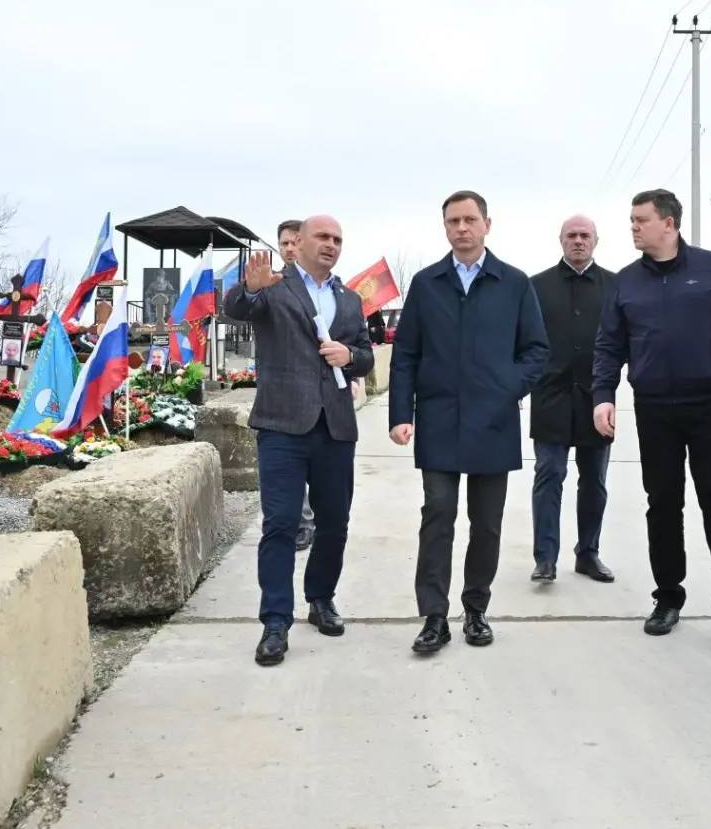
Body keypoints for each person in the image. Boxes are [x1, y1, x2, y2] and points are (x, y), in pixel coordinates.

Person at [389, 190, 548, 654]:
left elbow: (536, 350)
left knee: (487, 523)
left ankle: (476, 609)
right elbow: (406, 354)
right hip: (439, 420)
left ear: (486, 225)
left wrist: (508, 387)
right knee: (437, 515)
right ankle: (434, 617)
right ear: (445, 227)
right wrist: (401, 414)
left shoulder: (514, 283)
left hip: (494, 422)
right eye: (453, 221)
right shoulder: (427, 284)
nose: (461, 228)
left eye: (469, 220)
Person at [592, 188, 711, 642]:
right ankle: (667, 597)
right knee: (662, 502)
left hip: (709, 406)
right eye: (632, 220)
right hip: (654, 408)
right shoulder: (625, 282)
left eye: (640, 219)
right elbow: (609, 344)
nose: (633, 227)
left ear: (669, 223)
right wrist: (603, 395)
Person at [223, 215, 374, 667]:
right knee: (281, 525)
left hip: (336, 428)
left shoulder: (349, 299)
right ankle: (275, 621)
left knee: (335, 524)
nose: (331, 244)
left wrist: (350, 356)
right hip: (282, 426)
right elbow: (237, 308)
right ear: (299, 243)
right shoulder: (274, 287)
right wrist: (250, 289)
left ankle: (321, 598)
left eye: (338, 239)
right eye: (322, 237)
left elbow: (366, 355)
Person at [527, 215, 616, 584]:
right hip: (550, 396)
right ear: (560, 240)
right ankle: (545, 558)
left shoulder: (614, 285)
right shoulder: (536, 286)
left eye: (585, 235)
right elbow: (523, 339)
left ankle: (588, 553)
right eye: (571, 236)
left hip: (598, 398)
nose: (578, 241)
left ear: (596, 240)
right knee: (549, 474)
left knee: (594, 479)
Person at [277, 219, 318, 552]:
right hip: (282, 392)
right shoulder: (270, 284)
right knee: (288, 465)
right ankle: (302, 523)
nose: (290, 249)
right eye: (284, 243)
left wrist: (353, 376)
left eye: (295, 242)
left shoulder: (324, 284)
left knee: (318, 465)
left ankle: (318, 519)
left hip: (320, 390)